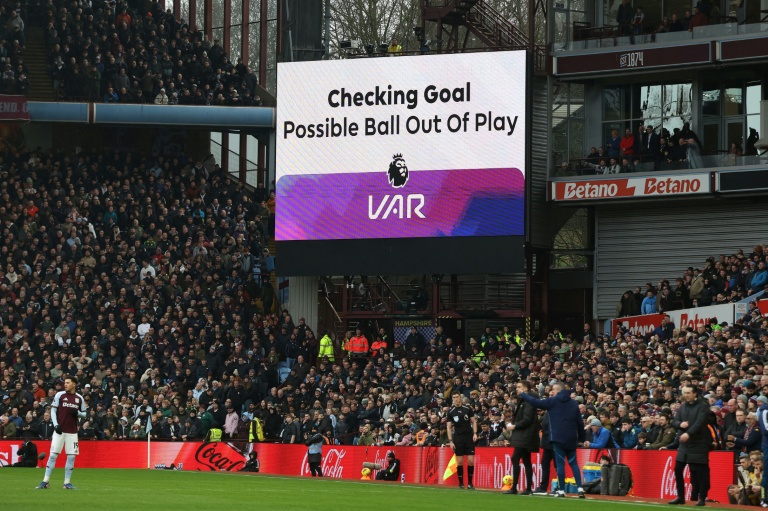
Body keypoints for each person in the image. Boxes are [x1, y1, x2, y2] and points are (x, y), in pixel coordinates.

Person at [519, 381, 586, 498]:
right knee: (573, 463)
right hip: (571, 438)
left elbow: (536, 402)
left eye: (553, 390)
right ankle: (580, 488)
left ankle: (561, 490)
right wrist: (582, 438)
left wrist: (523, 394)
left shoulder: (553, 401)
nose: (552, 392)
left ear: (558, 390)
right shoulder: (574, 403)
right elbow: (580, 423)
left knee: (560, 464)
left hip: (557, 438)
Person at [37, 376, 87, 490]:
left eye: (68, 383)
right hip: (59, 430)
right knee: (53, 455)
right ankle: (45, 481)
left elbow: (84, 414)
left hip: (72, 432)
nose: (65, 384)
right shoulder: (60, 395)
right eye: (65, 383)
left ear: (74, 384)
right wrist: (55, 425)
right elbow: (53, 410)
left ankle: (67, 483)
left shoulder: (79, 398)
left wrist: (78, 413)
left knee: (71, 457)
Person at [667, 384, 710, 506]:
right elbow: (674, 421)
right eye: (684, 393)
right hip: (684, 445)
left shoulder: (703, 406)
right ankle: (680, 496)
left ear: (695, 393)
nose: (686, 395)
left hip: (698, 443)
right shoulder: (683, 407)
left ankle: (702, 498)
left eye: (688, 393)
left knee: (699, 473)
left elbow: (700, 423)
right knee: (677, 469)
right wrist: (680, 425)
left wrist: (688, 433)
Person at [504, 380, 540, 495]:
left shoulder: (528, 401)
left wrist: (514, 426)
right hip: (525, 436)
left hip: (525, 436)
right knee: (526, 460)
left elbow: (527, 419)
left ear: (525, 389)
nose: (517, 389)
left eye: (519, 387)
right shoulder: (524, 400)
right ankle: (528, 488)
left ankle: (515, 487)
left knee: (515, 458)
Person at [446, 391, 477, 489]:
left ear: (460, 397)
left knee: (471, 461)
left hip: (468, 437)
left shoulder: (467, 408)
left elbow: (473, 421)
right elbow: (449, 427)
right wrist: (450, 441)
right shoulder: (451, 411)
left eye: (457, 397)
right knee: (459, 462)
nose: (456, 399)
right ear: (452, 399)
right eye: (454, 397)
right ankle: (461, 483)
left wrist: (475, 433)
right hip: (458, 438)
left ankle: (470, 483)